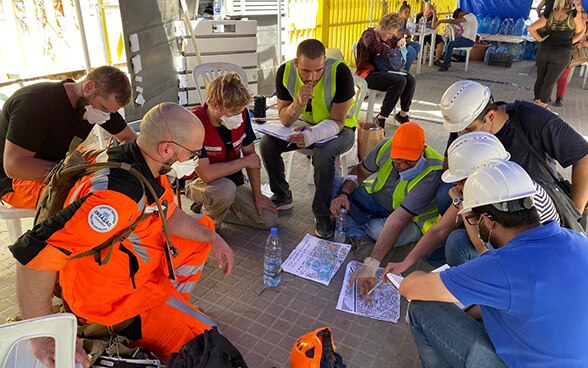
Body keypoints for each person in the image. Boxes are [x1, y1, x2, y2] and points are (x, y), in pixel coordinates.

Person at [9, 102, 235, 367]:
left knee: (203, 229)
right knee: (209, 344)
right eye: (192, 153)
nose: (194, 160)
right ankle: (143, 324)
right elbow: (32, 258)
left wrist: (214, 238)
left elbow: (168, 212)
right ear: (166, 149)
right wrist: (44, 337)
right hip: (109, 305)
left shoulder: (139, 162)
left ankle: (171, 306)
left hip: (125, 272)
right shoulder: (117, 200)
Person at [397, 159, 588, 367]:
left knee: (422, 308)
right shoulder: (577, 240)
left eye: (473, 220)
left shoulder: (503, 266)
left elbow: (409, 288)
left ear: (488, 220)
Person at [385, 132, 560, 275]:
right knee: (434, 247)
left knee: (457, 243)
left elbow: (483, 247)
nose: (456, 185)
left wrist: (461, 205)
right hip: (513, 251)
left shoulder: (509, 197)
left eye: (460, 180)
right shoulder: (492, 184)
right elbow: (439, 229)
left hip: (529, 264)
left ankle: (477, 288)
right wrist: (405, 262)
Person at [440, 80, 588, 219]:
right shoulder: (463, 126)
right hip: (483, 197)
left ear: (490, 116)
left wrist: (575, 216)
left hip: (528, 208)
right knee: (443, 196)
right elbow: (448, 167)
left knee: (460, 241)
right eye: (458, 130)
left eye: (468, 129)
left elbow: (584, 157)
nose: (462, 135)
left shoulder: (532, 118)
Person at [0, 65, 137, 209]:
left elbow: (130, 139)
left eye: (110, 112)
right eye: (103, 109)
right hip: (14, 178)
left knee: (112, 168)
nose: (105, 116)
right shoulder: (35, 103)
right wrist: (73, 171)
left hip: (61, 160)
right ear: (89, 87)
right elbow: (13, 166)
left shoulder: (97, 103)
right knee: (89, 193)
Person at [260, 39, 356, 238]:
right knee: (267, 144)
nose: (312, 77)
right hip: (304, 125)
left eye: (318, 70)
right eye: (305, 71)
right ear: (296, 63)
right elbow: (285, 120)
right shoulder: (285, 72)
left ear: (325, 62)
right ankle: (282, 195)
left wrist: (312, 135)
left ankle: (322, 214)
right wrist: (298, 103)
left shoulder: (340, 72)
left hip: (341, 129)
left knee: (324, 153)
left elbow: (338, 121)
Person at [334, 122, 442, 298]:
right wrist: (345, 193)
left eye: (410, 160)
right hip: (378, 201)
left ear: (422, 150)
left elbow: (399, 219)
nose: (403, 165)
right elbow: (360, 171)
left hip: (412, 220)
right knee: (335, 185)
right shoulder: (386, 146)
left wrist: (371, 265)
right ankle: (359, 234)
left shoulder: (432, 171)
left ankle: (360, 226)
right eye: (398, 159)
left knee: (378, 231)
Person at [186, 73, 277, 230]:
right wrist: (243, 161)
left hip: (231, 181)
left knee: (268, 219)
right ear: (214, 104)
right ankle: (209, 228)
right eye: (233, 112)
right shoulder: (195, 123)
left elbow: (252, 158)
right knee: (224, 190)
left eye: (241, 111)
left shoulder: (241, 115)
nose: (239, 117)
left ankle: (209, 209)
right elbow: (206, 174)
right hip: (198, 182)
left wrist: (258, 196)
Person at [356, 13, 416, 128]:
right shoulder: (368, 34)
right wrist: (388, 50)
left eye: (392, 34)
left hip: (383, 71)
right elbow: (371, 44)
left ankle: (403, 114)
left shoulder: (388, 37)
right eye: (389, 33)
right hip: (368, 74)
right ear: (382, 27)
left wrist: (401, 41)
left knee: (410, 79)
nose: (390, 36)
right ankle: (381, 117)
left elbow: (396, 41)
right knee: (399, 81)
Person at [529, 0, 584, 108]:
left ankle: (537, 102)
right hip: (562, 53)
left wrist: (540, 40)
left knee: (540, 77)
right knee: (550, 81)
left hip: (544, 50)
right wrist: (568, 42)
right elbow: (580, 32)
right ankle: (542, 107)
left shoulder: (550, 14)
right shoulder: (574, 15)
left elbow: (531, 28)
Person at [553, 9, 586, 106]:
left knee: (563, 75)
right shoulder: (569, 18)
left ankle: (559, 97)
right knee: (551, 74)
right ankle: (545, 96)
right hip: (561, 47)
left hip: (569, 51)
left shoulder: (580, 22)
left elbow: (582, 40)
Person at [398, 1, 422, 73]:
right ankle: (405, 71)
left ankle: (404, 63)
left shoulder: (405, 20)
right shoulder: (398, 20)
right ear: (401, 12)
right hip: (396, 42)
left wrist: (407, 35)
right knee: (412, 52)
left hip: (402, 40)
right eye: (405, 12)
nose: (408, 14)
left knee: (417, 46)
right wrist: (406, 35)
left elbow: (404, 32)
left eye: (409, 12)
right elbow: (397, 34)